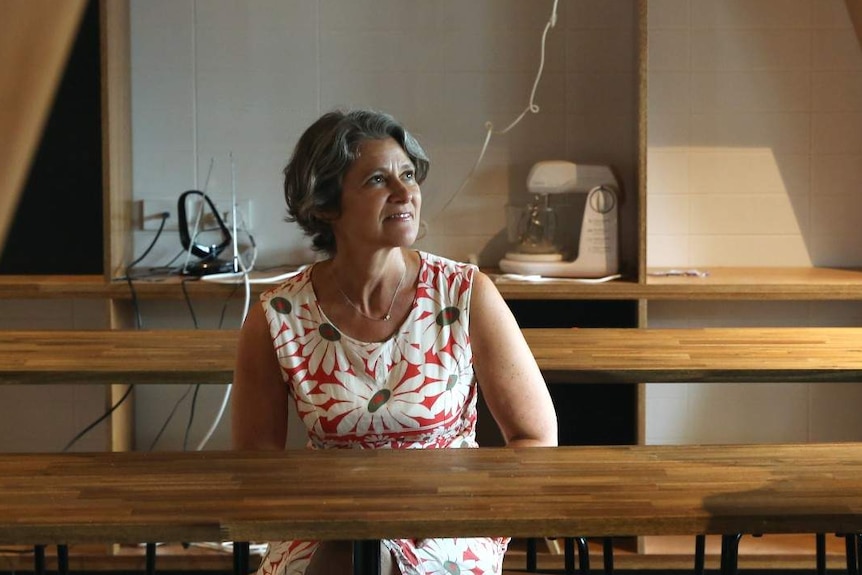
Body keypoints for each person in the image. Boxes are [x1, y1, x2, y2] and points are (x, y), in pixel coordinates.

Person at [232, 109, 558, 575]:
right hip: (328, 518)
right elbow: (256, 469)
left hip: (448, 513)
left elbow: (536, 438)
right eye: (377, 181)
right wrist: (340, 512)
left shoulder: (464, 292)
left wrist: (463, 504)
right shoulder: (278, 316)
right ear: (325, 204)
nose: (405, 193)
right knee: (346, 559)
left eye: (408, 175)